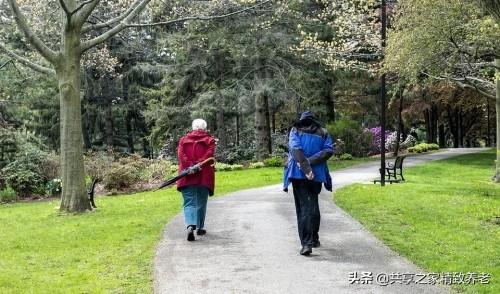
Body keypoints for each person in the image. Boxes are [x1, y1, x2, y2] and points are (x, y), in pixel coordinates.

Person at [283, 111, 334, 255]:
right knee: (313, 204)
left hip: (298, 174)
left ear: (302, 120)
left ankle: (307, 243)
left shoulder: (296, 130)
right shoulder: (323, 132)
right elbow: (328, 150)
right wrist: (310, 165)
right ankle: (315, 238)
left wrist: (305, 166)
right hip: (317, 174)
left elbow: (295, 149)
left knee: (304, 208)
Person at [177, 119, 216, 241]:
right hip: (203, 176)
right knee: (201, 202)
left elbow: (181, 156)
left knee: (189, 202)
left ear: (193, 127)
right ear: (205, 128)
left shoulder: (183, 140)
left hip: (186, 175)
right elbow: (208, 156)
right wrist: (198, 166)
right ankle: (199, 228)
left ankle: (190, 225)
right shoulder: (210, 140)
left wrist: (191, 167)